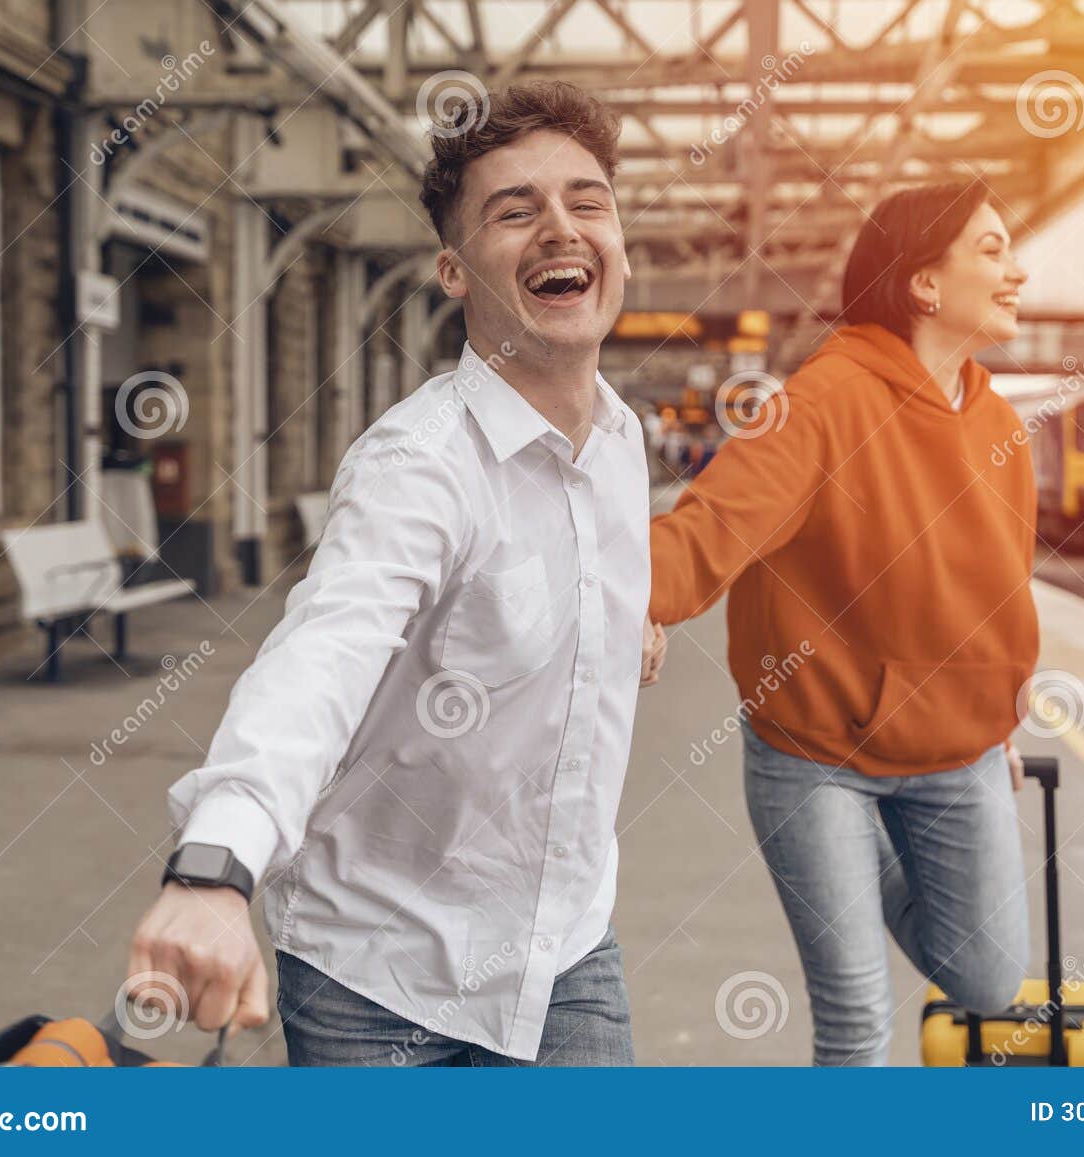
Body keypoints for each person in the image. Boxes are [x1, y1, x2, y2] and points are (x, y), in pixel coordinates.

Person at [127, 81, 667, 1066]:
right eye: (517, 209)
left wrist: (616, 620)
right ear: (454, 270)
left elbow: (585, 564)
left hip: (564, 947)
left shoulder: (622, 442)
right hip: (381, 973)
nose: (561, 227)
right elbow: (322, 659)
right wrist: (214, 869)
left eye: (587, 202)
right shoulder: (421, 462)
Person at [647, 179, 1036, 1065]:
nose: (1018, 271)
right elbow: (703, 536)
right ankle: (843, 858)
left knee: (987, 982)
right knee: (858, 1020)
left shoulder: (1000, 424)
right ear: (923, 285)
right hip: (815, 752)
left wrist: (1000, 715)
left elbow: (1001, 586)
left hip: (957, 750)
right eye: (992, 249)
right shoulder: (819, 405)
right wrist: (622, 593)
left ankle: (862, 868)